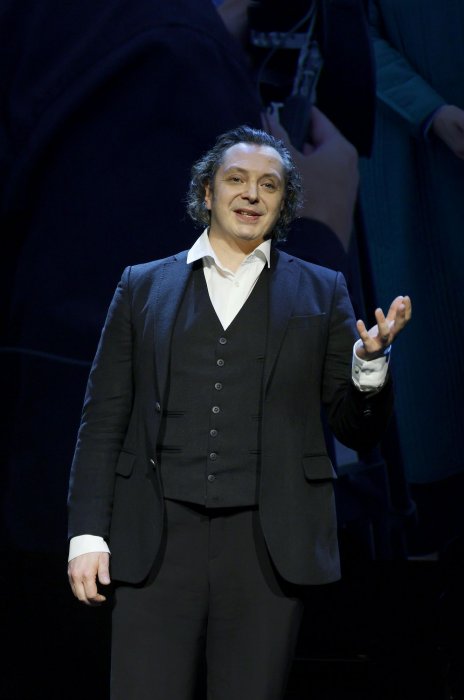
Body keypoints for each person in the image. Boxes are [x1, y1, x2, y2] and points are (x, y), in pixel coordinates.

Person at [67, 125, 411, 700]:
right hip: (154, 537)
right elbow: (102, 422)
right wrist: (86, 535)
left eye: (269, 185)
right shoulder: (142, 286)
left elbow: (356, 428)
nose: (252, 194)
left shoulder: (321, 291)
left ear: (284, 202)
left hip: (266, 545)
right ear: (207, 192)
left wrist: (369, 364)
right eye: (237, 179)